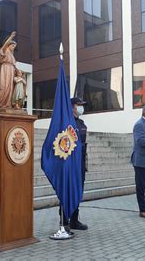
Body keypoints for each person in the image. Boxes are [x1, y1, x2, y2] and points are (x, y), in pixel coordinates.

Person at [60, 97, 88, 231]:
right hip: (69, 163)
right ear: (72, 107)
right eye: (79, 105)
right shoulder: (65, 123)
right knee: (67, 191)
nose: (81, 107)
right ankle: (64, 220)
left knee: (78, 191)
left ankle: (74, 220)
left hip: (80, 163)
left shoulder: (81, 123)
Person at [0, 31, 17, 108]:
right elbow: (4, 46)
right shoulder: (4, 50)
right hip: (5, 69)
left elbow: (14, 65)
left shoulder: (12, 55)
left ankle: (8, 104)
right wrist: (11, 37)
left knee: (10, 87)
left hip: (11, 70)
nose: (14, 47)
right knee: (4, 86)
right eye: (12, 45)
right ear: (8, 45)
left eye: (14, 46)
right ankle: (1, 103)